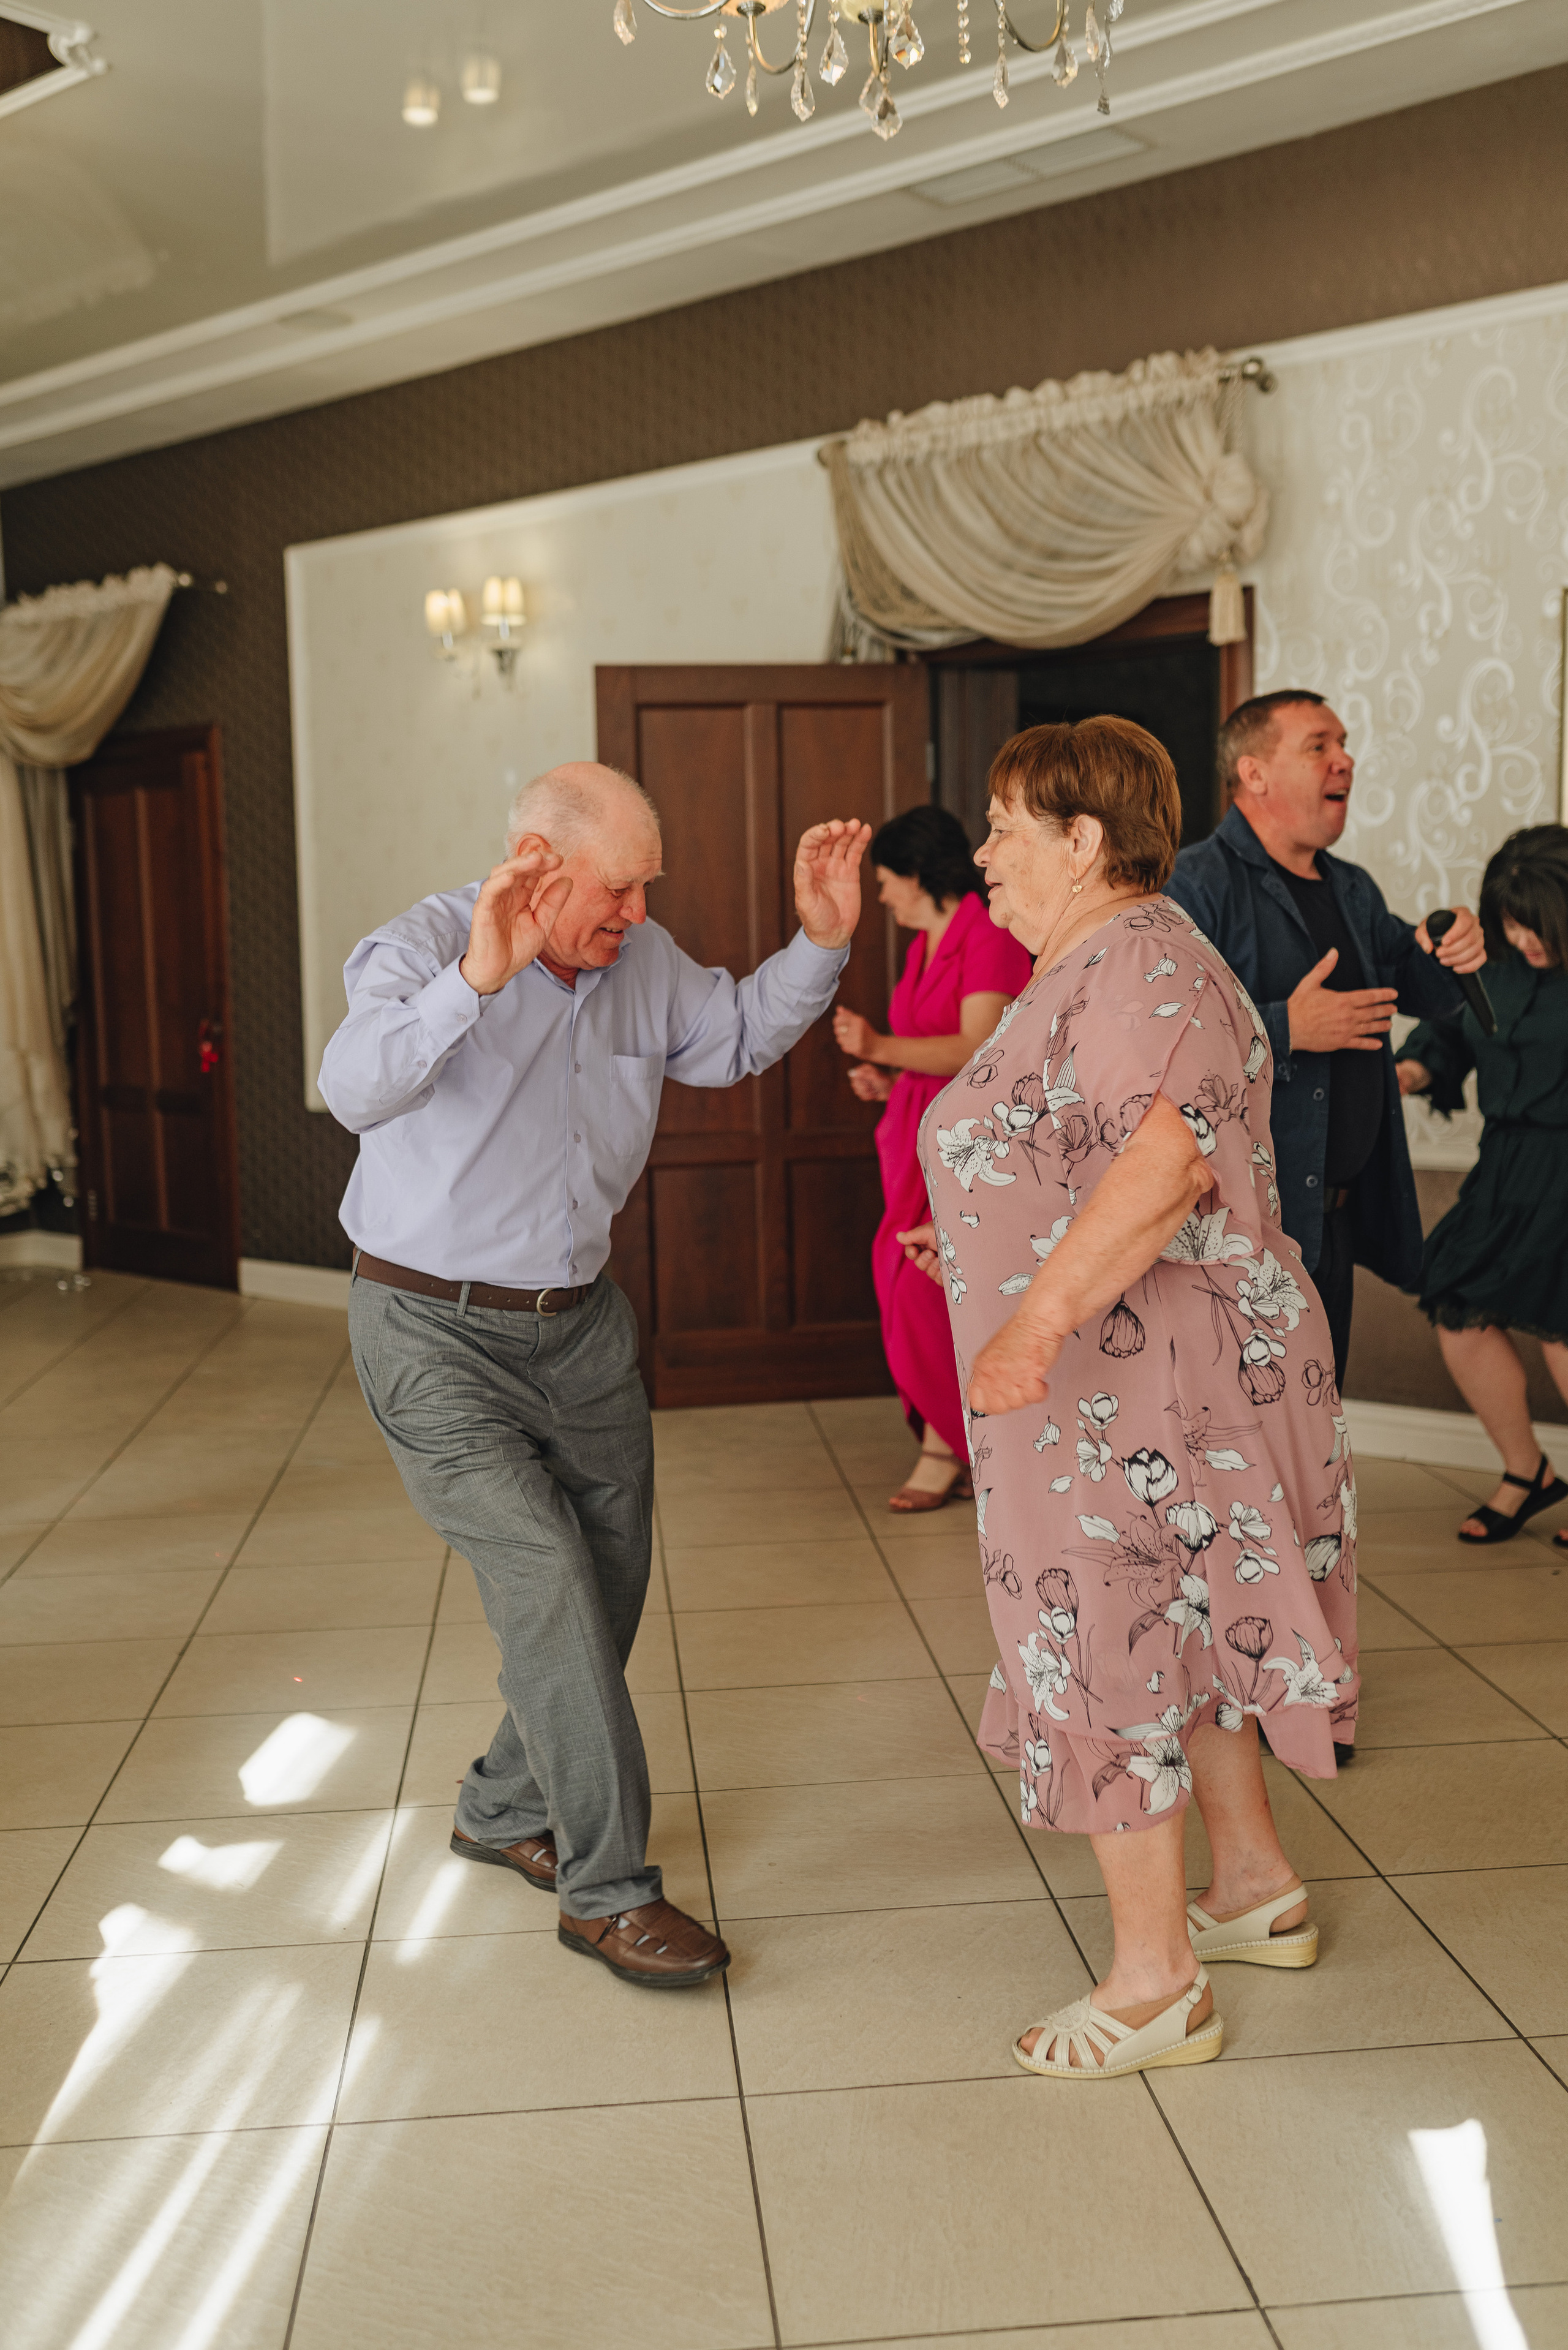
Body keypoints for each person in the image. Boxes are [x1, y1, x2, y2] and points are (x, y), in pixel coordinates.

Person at [318, 762, 868, 1987]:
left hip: (580, 1329)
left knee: (609, 1585)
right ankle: (605, 1891)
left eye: (643, 889)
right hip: (429, 1327)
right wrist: (477, 980)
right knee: (549, 1581)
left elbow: (728, 1040)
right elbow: (350, 1086)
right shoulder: (417, 945)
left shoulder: (645, 959)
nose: (634, 912)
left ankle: (503, 1804)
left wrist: (818, 943)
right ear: (538, 859)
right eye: (617, 889)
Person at [903, 715, 1357, 2081]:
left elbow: (1165, 1157)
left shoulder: (1135, 957)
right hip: (1153, 1373)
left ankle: (1156, 1983)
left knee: (1106, 1646)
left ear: (1082, 838)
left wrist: (1030, 1317)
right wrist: (990, 1234)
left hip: (1134, 1384)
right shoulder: (1109, 960)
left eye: (1003, 825)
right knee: (1191, 1634)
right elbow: (1084, 1150)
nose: (981, 853)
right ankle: (1252, 1886)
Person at [1164, 691, 1485, 1391]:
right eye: (1318, 746)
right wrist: (1286, 1029)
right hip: (1243, 1227)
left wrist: (1453, 941)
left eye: (1342, 744)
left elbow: (1424, 991)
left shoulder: (1352, 889)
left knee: (1314, 1426)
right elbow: (1160, 1041)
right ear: (1254, 774)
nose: (1344, 759)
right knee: (1243, 1435)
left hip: (1332, 1218)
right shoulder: (1194, 884)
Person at [832, 806, 1034, 1512]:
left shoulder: (987, 933)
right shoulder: (924, 943)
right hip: (913, 1138)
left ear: (918, 873)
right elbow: (929, 1049)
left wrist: (879, 1048)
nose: (881, 896)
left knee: (931, 1285)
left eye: (885, 880)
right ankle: (950, 1439)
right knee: (901, 1276)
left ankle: (952, 1445)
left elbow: (980, 1046)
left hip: (967, 1147)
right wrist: (889, 1078)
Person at [1396, 824, 1568, 1545]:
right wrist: (1408, 1071)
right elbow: (1449, 1037)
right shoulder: (1489, 966)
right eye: (1512, 922)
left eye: (1540, 926)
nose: (1526, 940)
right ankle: (1527, 1471)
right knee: (1454, 1299)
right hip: (1506, 1164)